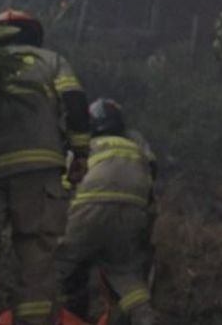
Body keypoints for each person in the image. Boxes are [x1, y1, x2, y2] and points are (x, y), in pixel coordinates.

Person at [0, 10, 91, 325]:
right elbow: (74, 103)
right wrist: (81, 153)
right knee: (36, 257)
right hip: (39, 173)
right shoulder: (51, 61)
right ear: (33, 33)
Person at [55, 98, 159, 325]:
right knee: (125, 272)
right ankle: (146, 318)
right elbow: (152, 181)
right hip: (132, 214)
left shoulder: (84, 147)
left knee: (55, 267)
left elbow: (63, 184)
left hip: (88, 211)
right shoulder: (136, 147)